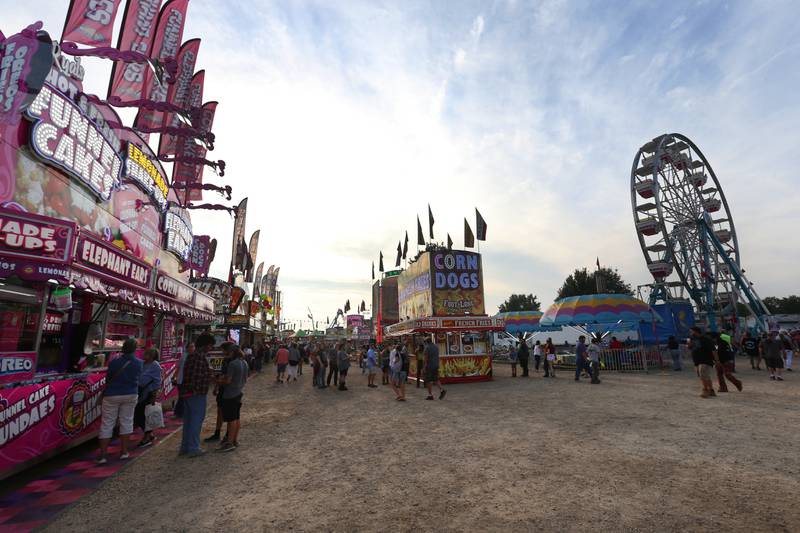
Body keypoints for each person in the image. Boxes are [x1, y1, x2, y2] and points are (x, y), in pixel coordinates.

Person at [97, 338, 143, 464]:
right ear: (134, 349)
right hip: (130, 393)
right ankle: (124, 451)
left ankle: (102, 455)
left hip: (112, 394)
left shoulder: (114, 362)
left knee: (107, 423)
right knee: (127, 421)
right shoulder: (139, 363)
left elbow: (108, 378)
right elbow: (139, 378)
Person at [179, 333, 213, 457]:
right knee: (196, 420)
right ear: (205, 345)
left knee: (188, 421)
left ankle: (185, 447)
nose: (211, 348)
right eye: (210, 345)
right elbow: (197, 377)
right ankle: (193, 447)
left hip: (188, 393)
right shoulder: (199, 357)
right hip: (196, 394)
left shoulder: (192, 356)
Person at [216, 347, 248, 452]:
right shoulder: (244, 363)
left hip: (230, 393)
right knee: (236, 418)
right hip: (239, 392)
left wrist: (218, 381)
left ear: (233, 353)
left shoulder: (233, 364)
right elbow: (245, 379)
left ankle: (229, 442)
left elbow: (228, 380)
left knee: (231, 419)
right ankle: (234, 440)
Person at [205, 343, 234, 445]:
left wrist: (216, 382)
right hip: (223, 389)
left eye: (222, 350)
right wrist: (217, 386)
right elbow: (222, 374)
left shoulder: (231, 361)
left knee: (227, 413)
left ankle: (226, 435)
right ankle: (219, 433)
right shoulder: (228, 360)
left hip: (227, 390)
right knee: (221, 412)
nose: (221, 352)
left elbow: (226, 377)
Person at [135, 347, 162, 447]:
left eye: (146, 354)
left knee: (144, 414)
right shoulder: (142, 363)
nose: (143, 356)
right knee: (139, 414)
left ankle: (147, 436)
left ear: (151, 356)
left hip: (148, 392)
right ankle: (149, 434)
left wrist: (154, 394)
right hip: (139, 391)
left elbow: (157, 382)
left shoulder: (155, 365)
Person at [689, 326, 718, 398]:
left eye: (691, 331)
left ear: (696, 331)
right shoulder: (693, 339)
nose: (690, 333)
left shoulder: (706, 339)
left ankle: (705, 390)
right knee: (704, 376)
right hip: (697, 361)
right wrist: (689, 344)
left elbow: (713, 350)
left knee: (703, 375)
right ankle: (711, 390)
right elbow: (690, 348)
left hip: (706, 360)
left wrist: (717, 360)